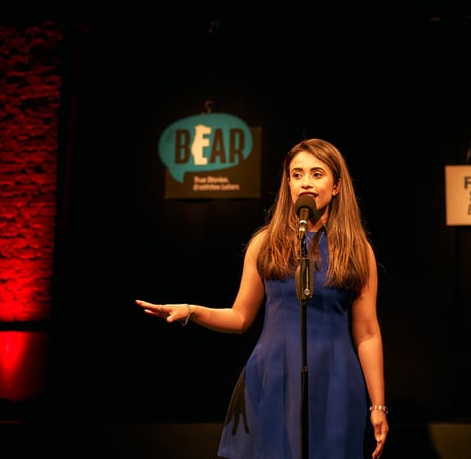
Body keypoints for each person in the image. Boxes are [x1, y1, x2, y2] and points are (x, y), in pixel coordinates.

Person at [136, 138, 389, 459]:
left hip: (335, 381)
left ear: (337, 185)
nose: (306, 182)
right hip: (272, 376)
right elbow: (240, 317)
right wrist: (191, 310)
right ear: (288, 183)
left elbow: (367, 332)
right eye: (297, 174)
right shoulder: (266, 243)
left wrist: (378, 404)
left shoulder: (356, 249)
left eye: (316, 173)